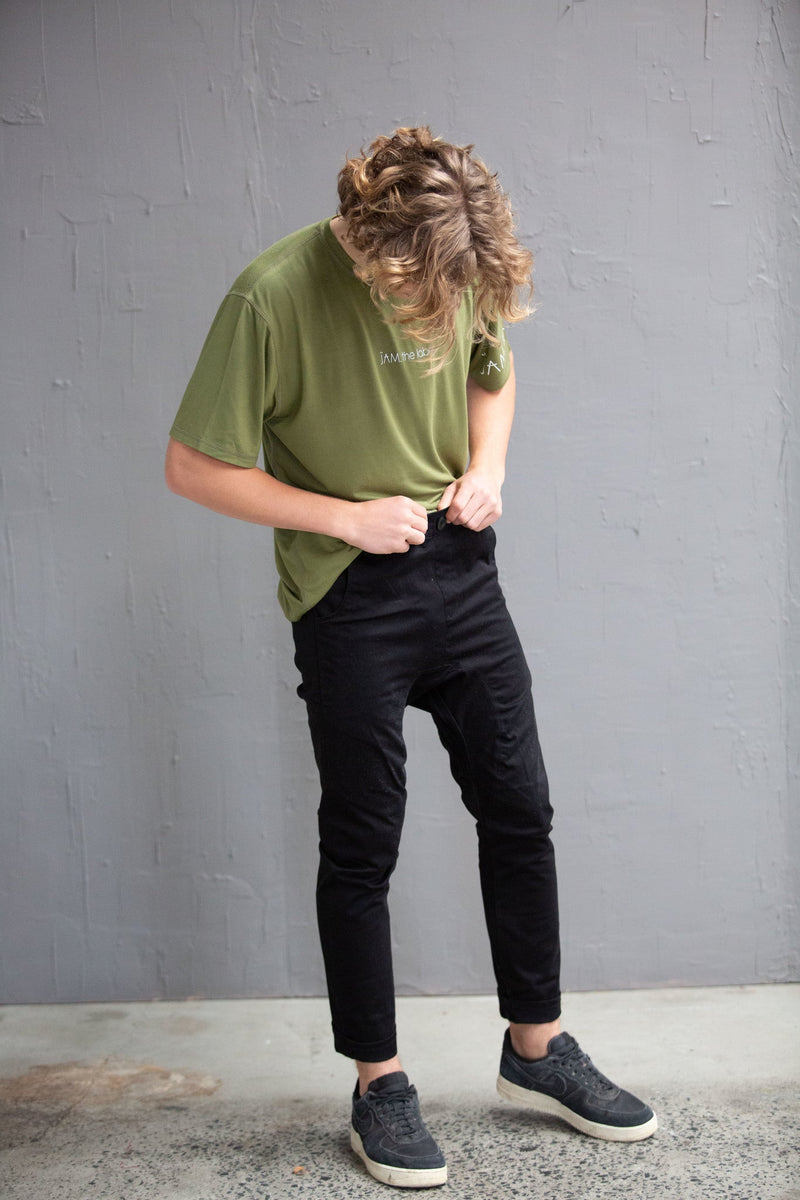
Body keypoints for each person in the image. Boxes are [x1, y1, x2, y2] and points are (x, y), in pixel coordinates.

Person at [165, 126, 657, 1189]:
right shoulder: (270, 295)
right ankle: (377, 1082)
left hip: (459, 567)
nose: (438, 295)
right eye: (419, 280)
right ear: (376, 238)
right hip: (348, 592)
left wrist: (487, 470)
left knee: (519, 809)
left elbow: (493, 373)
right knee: (363, 843)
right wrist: (340, 519)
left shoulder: (450, 256)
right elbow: (192, 466)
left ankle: (536, 1049)